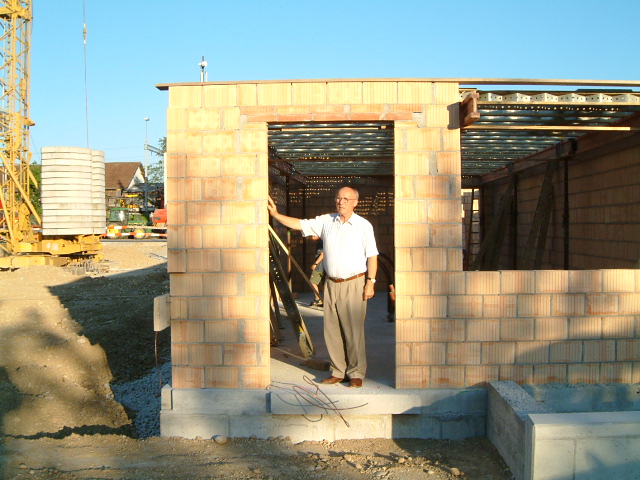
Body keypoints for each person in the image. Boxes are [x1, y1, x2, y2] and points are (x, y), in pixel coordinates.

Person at [267, 186, 378, 388]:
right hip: (332, 283)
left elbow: (372, 255)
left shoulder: (363, 226)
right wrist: (275, 214)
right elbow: (299, 224)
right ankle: (338, 371)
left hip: (354, 283)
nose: (341, 201)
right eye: (338, 198)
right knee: (332, 330)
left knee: (353, 332)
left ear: (355, 202)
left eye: (346, 198)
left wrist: (370, 282)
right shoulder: (327, 221)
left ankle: (356, 373)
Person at [309, 236, 325, 307]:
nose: (311, 238)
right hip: (325, 267)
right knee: (323, 284)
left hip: (319, 267)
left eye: (312, 236)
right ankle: (325, 300)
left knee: (312, 282)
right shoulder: (323, 241)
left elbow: (322, 254)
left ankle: (318, 299)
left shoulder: (320, 243)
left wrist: (315, 264)